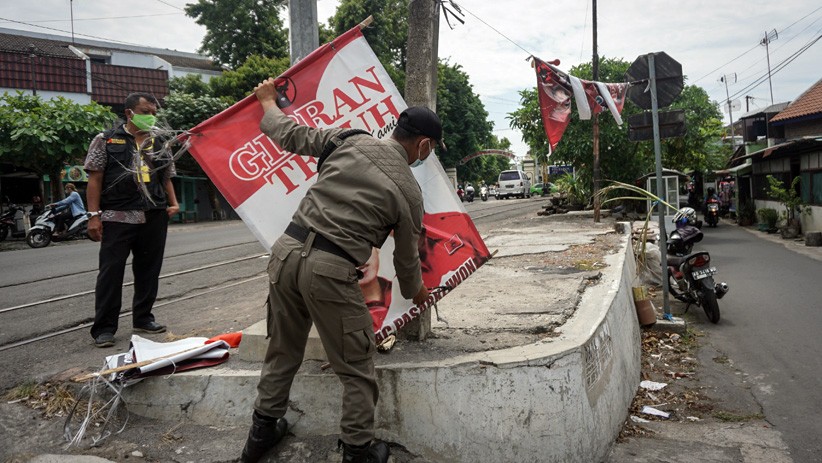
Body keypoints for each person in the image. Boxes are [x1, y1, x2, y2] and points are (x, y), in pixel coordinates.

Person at [241, 77, 442, 463]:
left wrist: (267, 100)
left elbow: (288, 133)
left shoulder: (349, 139)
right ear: (424, 145)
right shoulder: (409, 191)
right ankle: (356, 451)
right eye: (429, 151)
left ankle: (261, 434)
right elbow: (405, 261)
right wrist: (419, 294)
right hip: (330, 271)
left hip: (285, 254)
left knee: (282, 349)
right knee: (355, 366)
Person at [83, 92, 180, 348]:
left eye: (154, 113)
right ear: (129, 113)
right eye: (146, 111)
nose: (151, 117)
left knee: (149, 269)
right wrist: (93, 216)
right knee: (110, 272)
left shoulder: (159, 142)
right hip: (118, 216)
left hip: (154, 215)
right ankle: (104, 328)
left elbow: (166, 176)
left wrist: (173, 202)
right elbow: (94, 179)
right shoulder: (105, 140)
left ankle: (143, 318)